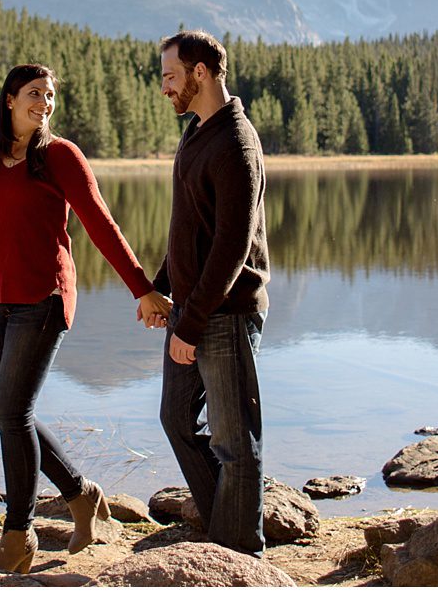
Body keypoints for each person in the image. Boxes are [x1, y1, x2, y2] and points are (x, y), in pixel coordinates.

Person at [0, 63, 174, 574]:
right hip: (0, 303)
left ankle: (18, 533)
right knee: (9, 415)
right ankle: (81, 494)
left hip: (44, 299)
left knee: (12, 413)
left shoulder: (59, 156)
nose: (45, 103)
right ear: (9, 99)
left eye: (50, 95)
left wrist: (142, 289)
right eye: (35, 93)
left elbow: (100, 224)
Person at [149, 29, 271, 557]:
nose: (164, 89)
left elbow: (230, 247)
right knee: (176, 419)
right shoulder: (199, 131)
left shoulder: (236, 143)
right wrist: (158, 287)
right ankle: (224, 532)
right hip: (194, 308)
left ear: (200, 73)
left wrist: (192, 324)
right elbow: (190, 226)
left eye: (170, 77)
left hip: (225, 312)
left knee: (234, 442)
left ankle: (243, 555)